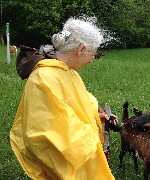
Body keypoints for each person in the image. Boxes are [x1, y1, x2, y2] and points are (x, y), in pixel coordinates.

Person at [10, 16, 116, 180]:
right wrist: (89, 138)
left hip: (81, 162)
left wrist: (98, 118)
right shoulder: (43, 77)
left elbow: (79, 105)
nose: (91, 61)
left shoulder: (68, 72)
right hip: (66, 168)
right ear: (80, 49)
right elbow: (44, 132)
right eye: (92, 54)